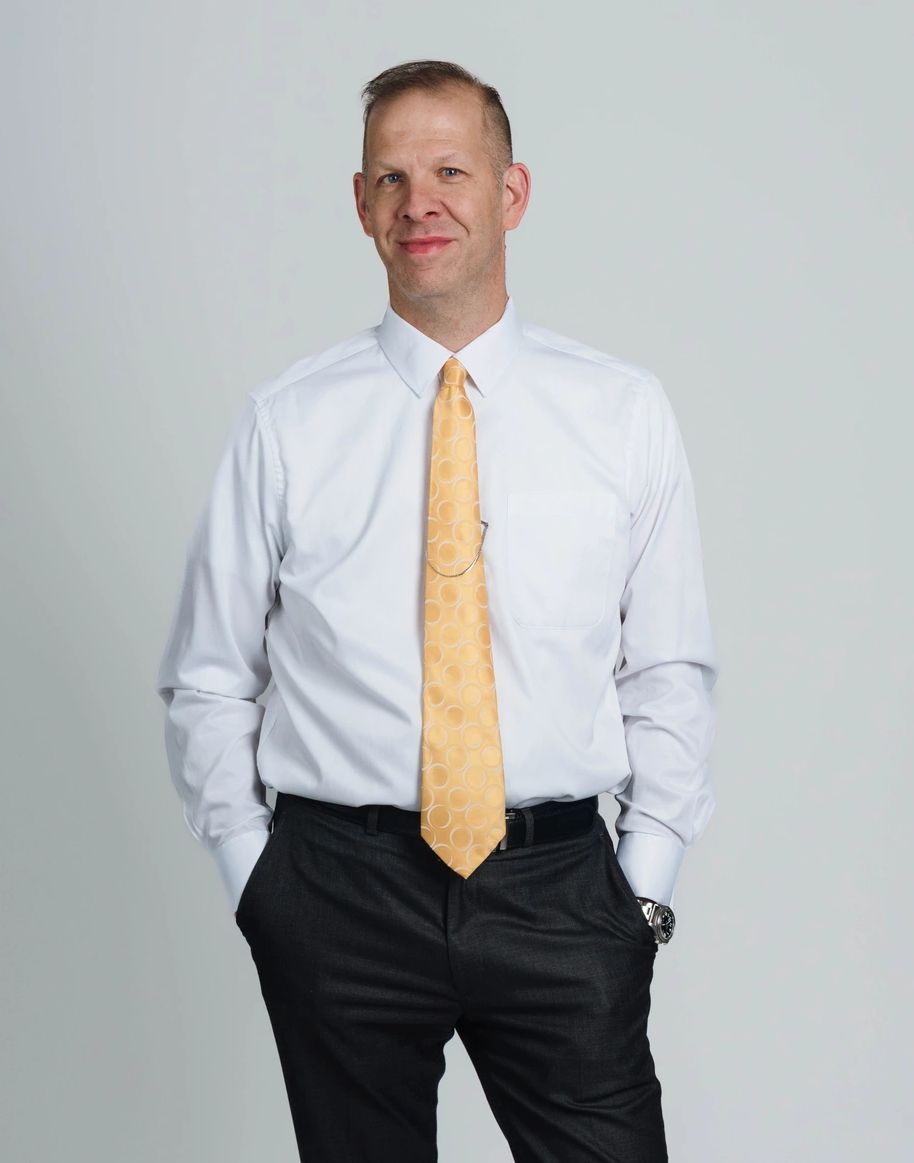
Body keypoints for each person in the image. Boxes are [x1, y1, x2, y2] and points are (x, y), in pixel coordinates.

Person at [155, 58, 719, 1163]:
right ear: (361, 204)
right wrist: (257, 881)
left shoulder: (622, 414)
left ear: (510, 194)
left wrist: (639, 891)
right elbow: (212, 673)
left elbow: (667, 672)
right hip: (336, 890)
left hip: (559, 887)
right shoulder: (286, 422)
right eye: (393, 177)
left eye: (451, 170)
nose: (423, 202)